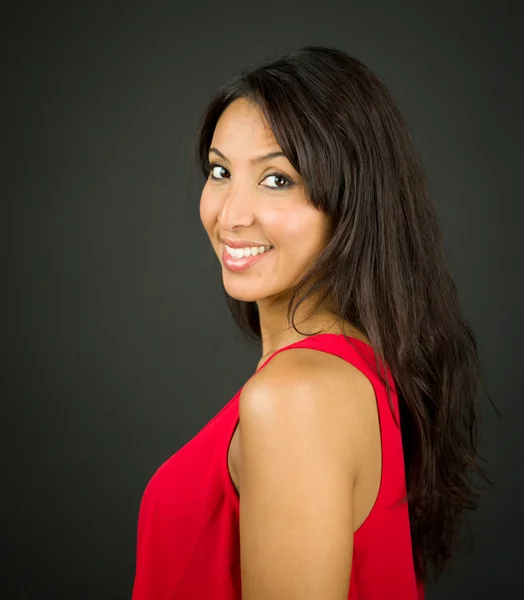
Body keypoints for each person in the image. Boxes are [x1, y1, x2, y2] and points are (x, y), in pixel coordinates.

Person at [131, 46, 488, 599]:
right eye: (221, 171)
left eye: (277, 180)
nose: (231, 215)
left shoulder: (295, 397)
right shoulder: (356, 370)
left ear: (351, 202)